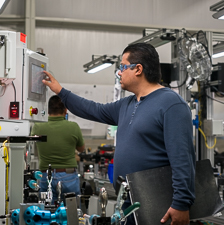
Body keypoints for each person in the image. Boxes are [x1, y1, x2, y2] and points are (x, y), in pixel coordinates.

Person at [42, 43, 195, 225]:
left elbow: (182, 158)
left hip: (158, 204)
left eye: (122, 67)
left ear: (138, 69)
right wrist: (61, 92)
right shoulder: (127, 104)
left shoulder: (171, 104)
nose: (119, 73)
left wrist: (181, 203)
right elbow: (93, 109)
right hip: (128, 200)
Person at [31, 95, 85, 201]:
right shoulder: (73, 126)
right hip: (68, 177)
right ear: (65, 110)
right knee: (72, 214)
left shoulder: (37, 127)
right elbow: (81, 149)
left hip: (45, 176)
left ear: (48, 110)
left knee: (46, 214)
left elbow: (33, 147)